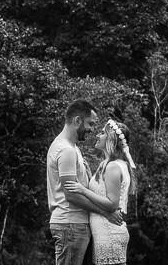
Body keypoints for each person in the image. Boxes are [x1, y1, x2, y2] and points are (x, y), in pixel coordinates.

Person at [47, 100, 123, 265]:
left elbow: (78, 187)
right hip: (70, 224)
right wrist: (105, 213)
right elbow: (71, 196)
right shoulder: (66, 150)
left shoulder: (72, 148)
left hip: (75, 225)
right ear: (77, 121)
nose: (91, 129)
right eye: (90, 123)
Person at [64, 119, 137, 265]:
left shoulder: (113, 167)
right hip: (103, 232)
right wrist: (91, 176)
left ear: (111, 139)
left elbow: (111, 204)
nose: (98, 135)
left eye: (102, 133)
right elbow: (102, 191)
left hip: (109, 233)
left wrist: (83, 190)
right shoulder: (107, 164)